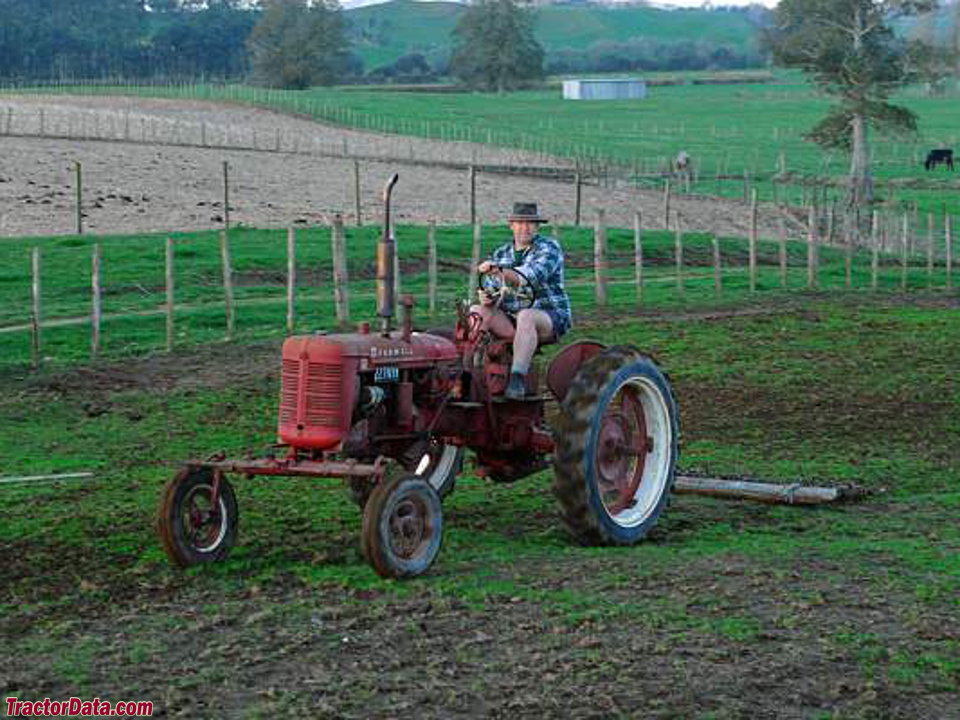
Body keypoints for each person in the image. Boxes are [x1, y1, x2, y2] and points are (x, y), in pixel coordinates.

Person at [471, 202, 572, 400]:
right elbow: (492, 288)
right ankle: (469, 370)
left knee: (527, 316)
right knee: (477, 311)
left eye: (530, 223)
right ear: (512, 225)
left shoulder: (549, 249)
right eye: (520, 223)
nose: (525, 228)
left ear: (537, 227)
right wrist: (487, 297)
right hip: (512, 321)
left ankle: (517, 379)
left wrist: (498, 271)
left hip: (549, 316)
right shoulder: (502, 253)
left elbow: (528, 277)